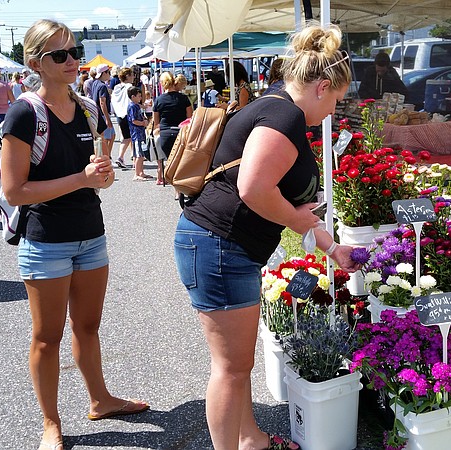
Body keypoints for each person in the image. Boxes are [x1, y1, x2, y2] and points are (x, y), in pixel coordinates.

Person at [174, 24, 361, 450]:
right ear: (321, 86)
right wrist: (299, 224)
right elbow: (255, 188)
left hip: (220, 244)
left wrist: (333, 249)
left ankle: (250, 438)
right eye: (335, 100)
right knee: (230, 368)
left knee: (235, 366)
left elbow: (278, 198)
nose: (333, 110)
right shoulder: (284, 115)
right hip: (219, 245)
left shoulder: (273, 103)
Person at [0, 19, 148, 450]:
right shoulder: (23, 113)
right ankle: (50, 422)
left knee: (88, 326)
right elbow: (15, 190)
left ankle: (100, 400)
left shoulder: (85, 106)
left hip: (90, 234)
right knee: (47, 338)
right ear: (35, 63)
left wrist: (100, 178)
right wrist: (83, 180)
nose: (72, 61)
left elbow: (95, 173)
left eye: (75, 51)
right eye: (59, 55)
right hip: (46, 239)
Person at [152, 72, 192, 185]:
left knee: (170, 159)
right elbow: (190, 118)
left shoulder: (159, 100)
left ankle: (173, 182)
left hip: (165, 133)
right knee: (181, 160)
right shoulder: (184, 98)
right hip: (181, 132)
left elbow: (157, 123)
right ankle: (179, 187)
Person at [126, 86, 153, 181]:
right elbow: (133, 120)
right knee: (138, 154)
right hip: (136, 133)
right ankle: (137, 174)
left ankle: (141, 172)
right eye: (139, 96)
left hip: (140, 132)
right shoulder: (132, 106)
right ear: (133, 97)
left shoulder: (136, 105)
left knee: (141, 154)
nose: (140, 98)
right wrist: (143, 123)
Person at [90, 63, 115, 157]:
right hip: (103, 115)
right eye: (108, 72)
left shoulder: (95, 83)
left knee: (106, 137)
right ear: (104, 73)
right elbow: (102, 103)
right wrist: (108, 119)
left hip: (97, 114)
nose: (109, 74)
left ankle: (105, 156)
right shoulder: (102, 86)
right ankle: (106, 157)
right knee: (107, 138)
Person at [111, 67, 135, 168]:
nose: (133, 77)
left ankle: (133, 156)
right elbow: (133, 101)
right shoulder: (130, 87)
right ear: (127, 76)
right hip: (128, 114)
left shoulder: (116, 87)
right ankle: (120, 157)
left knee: (126, 136)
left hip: (119, 114)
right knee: (129, 137)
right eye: (132, 75)